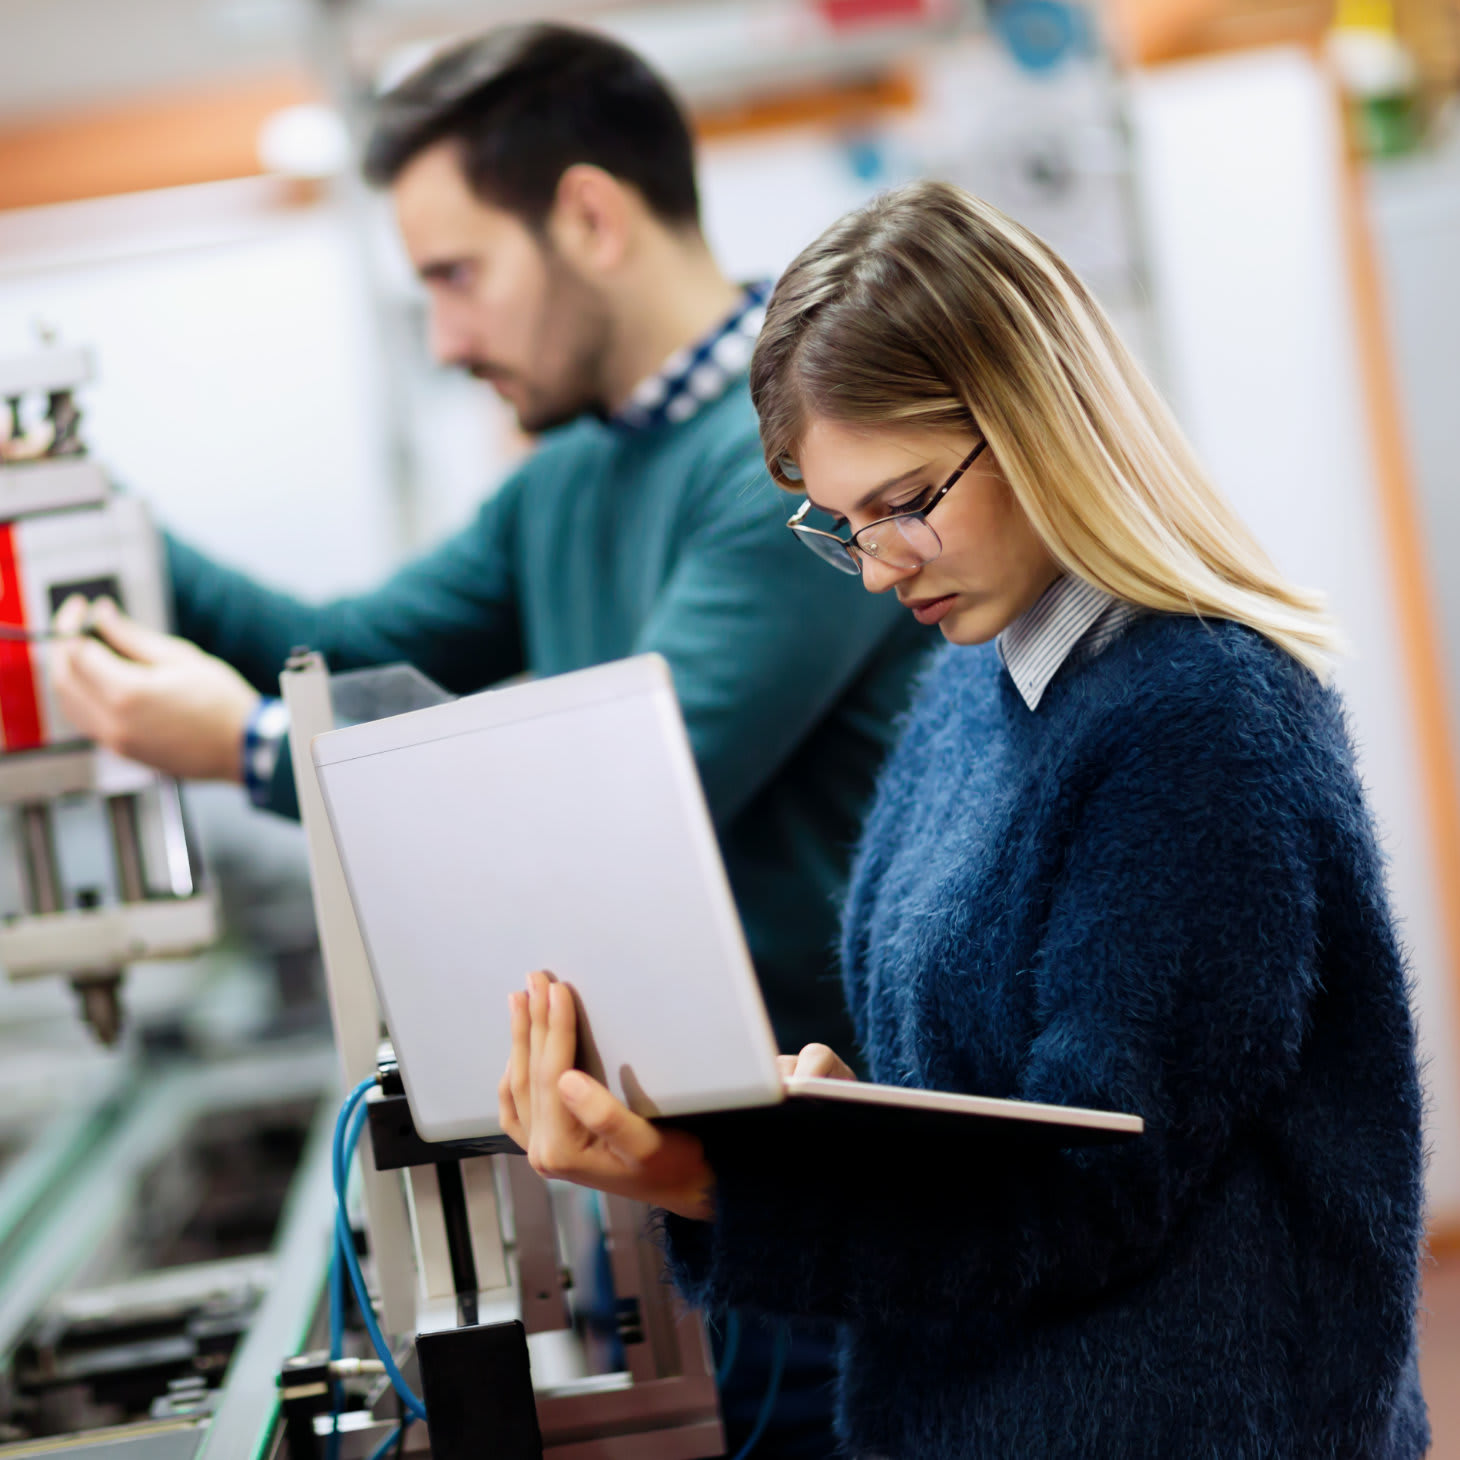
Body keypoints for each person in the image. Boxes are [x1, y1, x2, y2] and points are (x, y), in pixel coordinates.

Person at [50, 26, 934, 1458]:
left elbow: (617, 812)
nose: (449, 339)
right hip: (683, 1179)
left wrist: (251, 752)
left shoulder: (794, 455)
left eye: (457, 276)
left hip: (829, 1174)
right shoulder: (573, 472)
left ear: (589, 215)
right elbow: (339, 645)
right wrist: (86, 522)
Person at [499, 179, 1430, 1459]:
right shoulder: (968, 688)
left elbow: (1088, 1191)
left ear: (1032, 416)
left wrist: (707, 1181)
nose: (878, 566)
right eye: (841, 524)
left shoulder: (1199, 719)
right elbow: (1001, 1101)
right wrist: (841, 1121)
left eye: (903, 502)